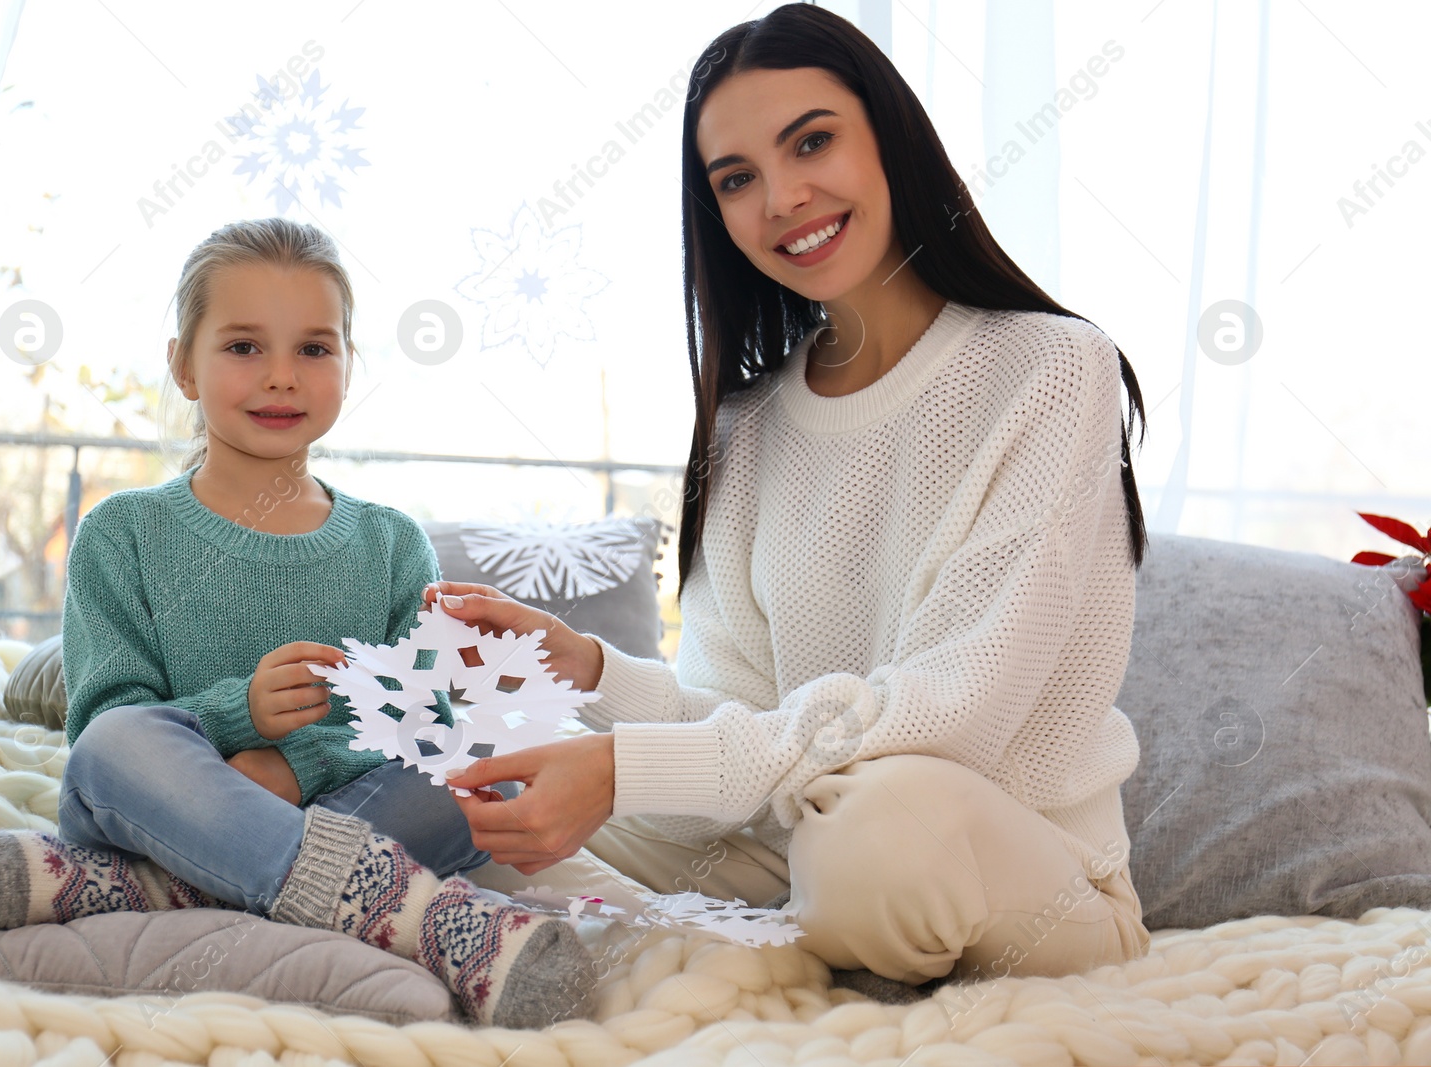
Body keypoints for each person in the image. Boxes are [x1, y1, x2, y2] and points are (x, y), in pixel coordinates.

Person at [435, 3, 1154, 988]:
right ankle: (718, 940)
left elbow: (961, 710)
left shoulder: (1051, 366)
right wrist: (589, 672)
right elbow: (738, 717)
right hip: (798, 844)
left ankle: (717, 934)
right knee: (482, 775)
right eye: (736, 179)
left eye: (811, 141)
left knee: (874, 831)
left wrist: (628, 769)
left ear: (890, 137)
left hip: (1008, 865)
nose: (780, 197)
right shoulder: (749, 423)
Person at [0, 218, 594, 1029]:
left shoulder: (391, 543)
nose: (281, 376)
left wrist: (296, 768)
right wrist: (238, 714)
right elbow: (108, 723)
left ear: (349, 365)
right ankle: (422, 915)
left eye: (314, 349)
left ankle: (148, 885)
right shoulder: (122, 533)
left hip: (313, 806)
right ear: (183, 365)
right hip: (162, 798)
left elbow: (419, 725)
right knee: (113, 749)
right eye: (244, 346)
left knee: (472, 778)